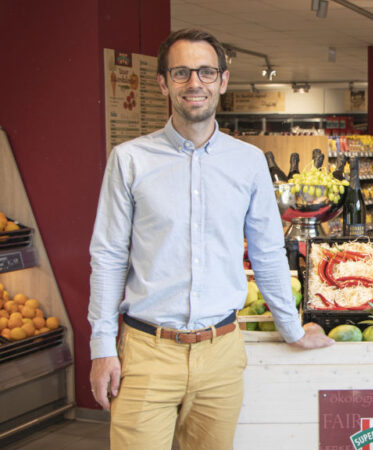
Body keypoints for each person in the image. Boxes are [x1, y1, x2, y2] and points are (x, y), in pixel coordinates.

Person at [88, 29, 334, 450]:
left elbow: (268, 252)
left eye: (205, 72)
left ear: (222, 80)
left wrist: (291, 329)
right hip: (147, 351)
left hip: (221, 352)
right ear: (164, 82)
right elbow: (108, 256)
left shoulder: (249, 162)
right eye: (181, 73)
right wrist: (100, 347)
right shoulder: (130, 160)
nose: (194, 83)